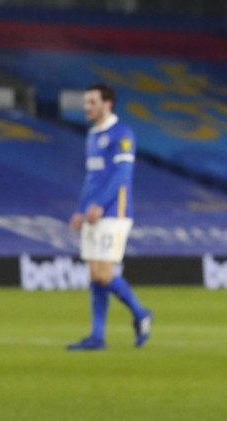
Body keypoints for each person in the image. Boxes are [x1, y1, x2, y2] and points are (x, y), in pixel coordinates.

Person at [67, 84, 152, 351]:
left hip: (115, 212)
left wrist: (101, 206)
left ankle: (141, 313)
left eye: (92, 102)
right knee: (96, 275)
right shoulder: (93, 134)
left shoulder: (122, 133)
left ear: (108, 104)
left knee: (104, 275)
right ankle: (97, 337)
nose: (87, 107)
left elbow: (122, 175)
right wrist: (81, 209)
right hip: (93, 213)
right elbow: (91, 179)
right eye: (86, 102)